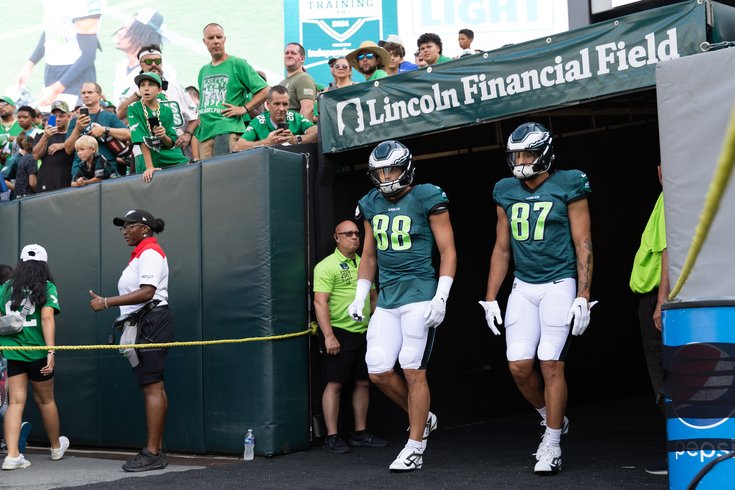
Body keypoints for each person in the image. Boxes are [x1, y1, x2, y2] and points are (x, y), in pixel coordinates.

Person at [480, 122, 593, 476]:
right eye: (516, 154)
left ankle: (553, 444)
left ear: (544, 152)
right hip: (523, 285)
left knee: (550, 362)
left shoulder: (569, 183)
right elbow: (501, 248)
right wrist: (490, 297)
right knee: (517, 365)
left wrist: (584, 293)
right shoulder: (505, 189)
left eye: (528, 153)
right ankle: (550, 418)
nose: (521, 160)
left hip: (559, 282)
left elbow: (583, 242)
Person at [348, 140, 456, 471]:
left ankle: (415, 445)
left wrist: (442, 295)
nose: (386, 176)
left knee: (412, 367)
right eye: (380, 171)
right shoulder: (370, 202)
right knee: (378, 369)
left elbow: (448, 250)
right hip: (388, 297)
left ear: (406, 167)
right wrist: (359, 293)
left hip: (420, 293)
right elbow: (368, 255)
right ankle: (422, 417)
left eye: (391, 169)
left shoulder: (426, 196)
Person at [89, 209, 174, 472]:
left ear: (145, 229)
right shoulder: (142, 253)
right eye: (122, 227)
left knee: (152, 388)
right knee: (153, 387)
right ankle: (156, 449)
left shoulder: (149, 252)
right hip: (146, 323)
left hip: (151, 322)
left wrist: (106, 302)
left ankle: (152, 453)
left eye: (129, 226)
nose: (124, 230)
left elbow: (147, 292)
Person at [314, 220, 387, 454]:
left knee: (364, 382)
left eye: (357, 233)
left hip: (365, 333)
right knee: (335, 383)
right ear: (336, 238)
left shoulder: (364, 264)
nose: (354, 237)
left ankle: (359, 433)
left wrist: (379, 328)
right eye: (348, 234)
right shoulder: (326, 266)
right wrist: (328, 336)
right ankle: (332, 437)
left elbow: (373, 298)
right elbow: (320, 302)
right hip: (339, 332)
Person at [0, 244, 69, 470]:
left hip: (11, 352)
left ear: (20, 262)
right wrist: (51, 351)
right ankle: (56, 447)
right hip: (37, 352)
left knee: (16, 402)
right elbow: (47, 318)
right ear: (43, 264)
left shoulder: (5, 287)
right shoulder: (47, 287)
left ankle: (12, 455)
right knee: (46, 401)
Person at [629, 165, 668, 476]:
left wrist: (662, 302)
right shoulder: (665, 199)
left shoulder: (672, 200)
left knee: (665, 377)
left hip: (658, 297)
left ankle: (679, 452)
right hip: (653, 298)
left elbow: (668, 250)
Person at [197, 23, 269, 159]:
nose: (216, 41)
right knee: (209, 179)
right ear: (204, 41)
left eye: (219, 37)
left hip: (227, 130)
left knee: (224, 176)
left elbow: (265, 90)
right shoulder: (203, 70)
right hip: (205, 134)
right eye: (211, 38)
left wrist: (244, 109)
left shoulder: (237, 63)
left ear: (225, 39)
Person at [14, 0, 102, 105]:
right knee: (52, 118)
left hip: (76, 74)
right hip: (52, 70)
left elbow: (88, 55)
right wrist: (29, 65)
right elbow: (52, 31)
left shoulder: (83, 4)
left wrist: (56, 89)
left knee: (75, 118)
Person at [116, 45, 199, 157]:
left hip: (178, 150)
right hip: (147, 152)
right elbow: (120, 114)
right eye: (149, 61)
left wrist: (187, 134)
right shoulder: (131, 90)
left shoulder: (176, 87)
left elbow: (194, 116)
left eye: (157, 61)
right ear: (141, 64)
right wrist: (137, 94)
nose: (154, 64)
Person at [126, 72, 188, 183]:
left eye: (151, 85)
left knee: (187, 168)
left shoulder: (167, 110)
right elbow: (141, 138)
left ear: (159, 90)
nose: (146, 88)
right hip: (150, 157)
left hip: (171, 156)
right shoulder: (134, 108)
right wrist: (149, 167)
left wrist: (163, 136)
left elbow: (171, 143)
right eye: (142, 85)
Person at [64, 82, 131, 180]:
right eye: (83, 93)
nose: (86, 95)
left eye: (90, 92)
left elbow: (129, 134)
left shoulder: (109, 117)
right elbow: (68, 149)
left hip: (107, 170)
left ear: (99, 95)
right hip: (80, 173)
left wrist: (104, 130)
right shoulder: (75, 121)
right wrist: (77, 129)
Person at [234, 85, 317, 151]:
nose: (281, 109)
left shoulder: (295, 118)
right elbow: (238, 146)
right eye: (277, 104)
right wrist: (266, 143)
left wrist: (296, 139)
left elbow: (317, 132)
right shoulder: (259, 121)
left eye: (285, 104)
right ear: (268, 104)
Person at [111, 9, 168, 104]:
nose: (120, 33)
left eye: (126, 30)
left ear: (142, 35)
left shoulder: (161, 69)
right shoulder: (122, 65)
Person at [32, 100, 75, 193]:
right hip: (46, 182)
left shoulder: (72, 135)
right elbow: (36, 155)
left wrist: (63, 145)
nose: (58, 119)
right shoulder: (41, 135)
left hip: (67, 182)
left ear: (69, 116)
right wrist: (45, 136)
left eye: (61, 116)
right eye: (55, 116)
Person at [279, 43, 317, 122]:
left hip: (294, 132)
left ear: (302, 58)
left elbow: (308, 108)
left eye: (293, 53)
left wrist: (299, 131)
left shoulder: (304, 78)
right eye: (287, 53)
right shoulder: (282, 83)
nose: (289, 55)